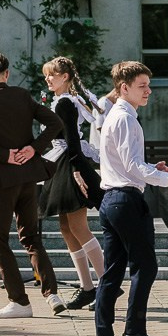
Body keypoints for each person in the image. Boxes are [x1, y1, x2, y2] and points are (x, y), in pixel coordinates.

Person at [93, 61, 168, 336]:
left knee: (112, 271)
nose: (149, 91)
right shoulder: (124, 118)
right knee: (145, 266)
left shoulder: (120, 116)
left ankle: (104, 334)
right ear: (124, 87)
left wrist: (154, 168)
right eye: (142, 86)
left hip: (114, 199)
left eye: (148, 85)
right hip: (124, 200)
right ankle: (133, 331)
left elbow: (129, 165)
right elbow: (131, 166)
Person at [0, 52, 66, 318]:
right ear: (7, 73)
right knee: (31, 237)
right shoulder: (22, 95)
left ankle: (19, 301)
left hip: (4, 178)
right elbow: (55, 122)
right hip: (29, 177)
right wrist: (33, 149)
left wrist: (4, 154)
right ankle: (52, 293)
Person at [39, 57, 105, 311]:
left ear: (65, 77)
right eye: (47, 75)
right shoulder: (62, 100)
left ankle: (105, 283)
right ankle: (87, 287)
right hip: (62, 161)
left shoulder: (66, 102)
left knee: (77, 225)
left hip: (70, 162)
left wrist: (77, 169)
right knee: (66, 227)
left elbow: (72, 139)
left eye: (52, 75)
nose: (48, 79)